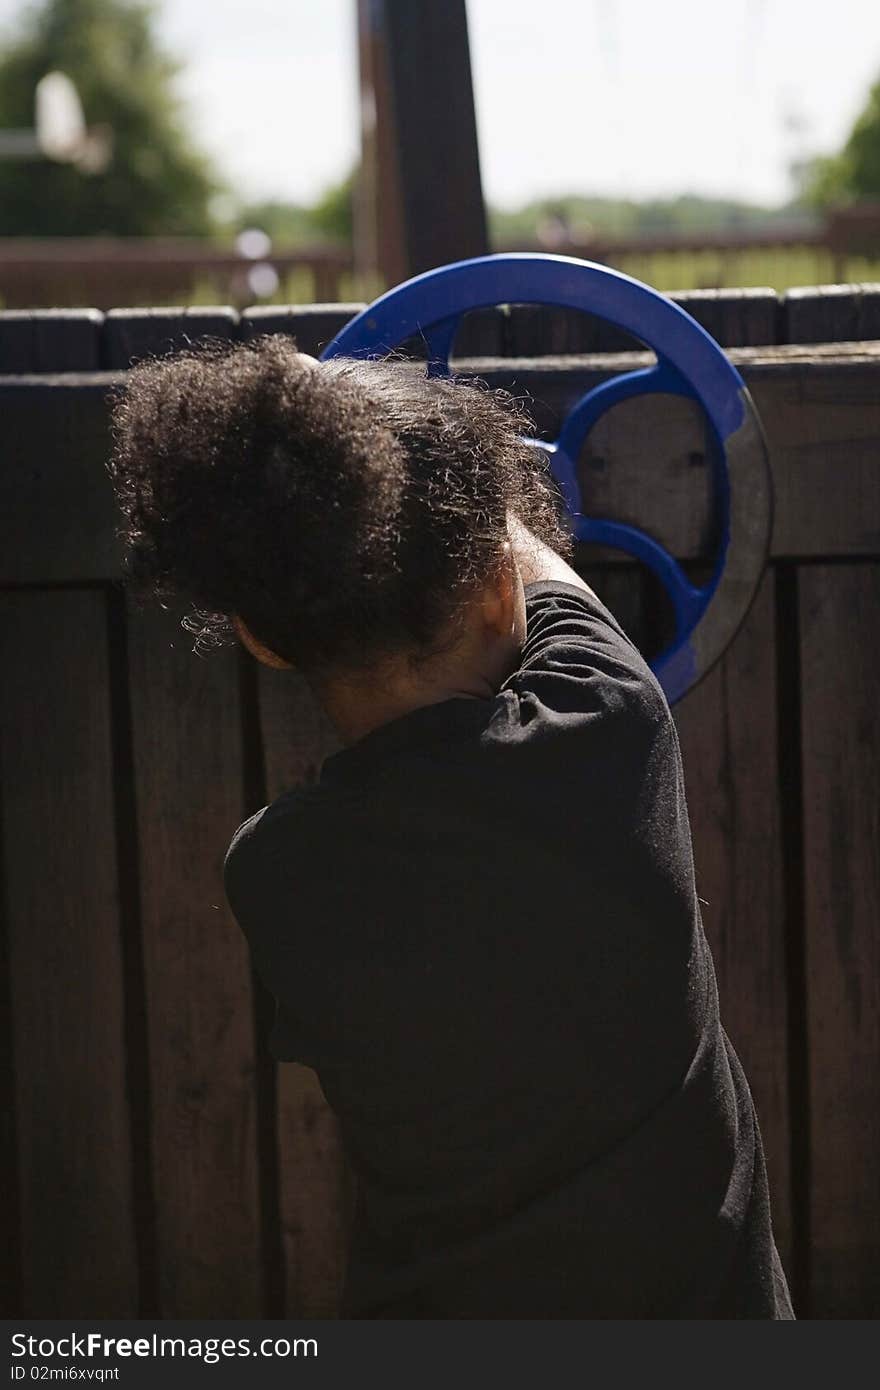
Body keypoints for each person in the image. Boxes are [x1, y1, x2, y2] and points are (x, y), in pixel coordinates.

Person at [107, 336, 794, 1319]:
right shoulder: (604, 724)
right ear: (489, 588)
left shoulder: (277, 871)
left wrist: (302, 459)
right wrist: (431, 455)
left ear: (260, 640)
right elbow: (537, 572)